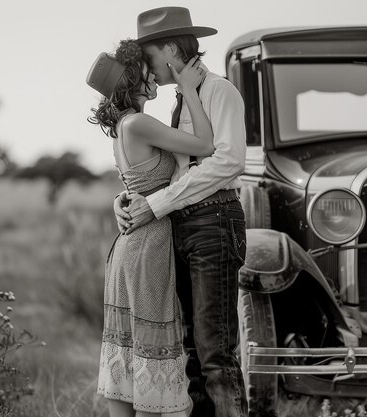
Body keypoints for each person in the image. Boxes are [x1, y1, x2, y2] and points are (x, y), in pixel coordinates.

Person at [113, 7, 248, 417]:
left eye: (148, 55)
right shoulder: (178, 101)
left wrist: (154, 205)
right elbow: (169, 170)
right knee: (190, 352)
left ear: (170, 47)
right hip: (181, 227)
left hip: (214, 222)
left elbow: (227, 161)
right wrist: (126, 198)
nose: (147, 68)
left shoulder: (219, 91)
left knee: (215, 354)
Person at [87, 39, 213, 417]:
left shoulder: (123, 127)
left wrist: (118, 201)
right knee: (148, 358)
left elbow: (135, 187)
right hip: (148, 248)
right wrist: (189, 90)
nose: (152, 75)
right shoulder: (139, 123)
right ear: (131, 79)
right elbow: (205, 145)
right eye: (145, 70)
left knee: (128, 356)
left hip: (129, 247)